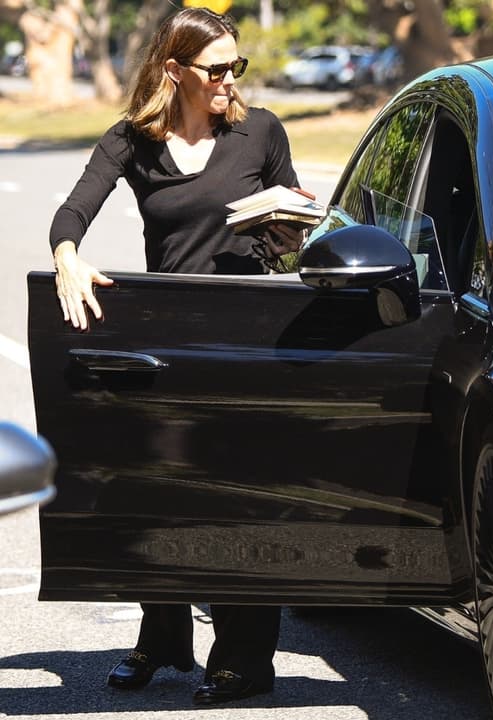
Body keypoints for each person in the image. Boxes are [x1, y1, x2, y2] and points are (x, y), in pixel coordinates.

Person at [47, 7, 306, 705]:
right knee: (154, 496)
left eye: (235, 68)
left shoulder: (261, 132)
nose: (228, 81)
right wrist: (68, 255)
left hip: (248, 344)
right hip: (169, 342)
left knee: (241, 503)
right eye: (215, 69)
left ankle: (243, 662)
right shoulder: (134, 141)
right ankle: (161, 639)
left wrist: (289, 227)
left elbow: (293, 240)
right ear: (175, 72)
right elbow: (72, 213)